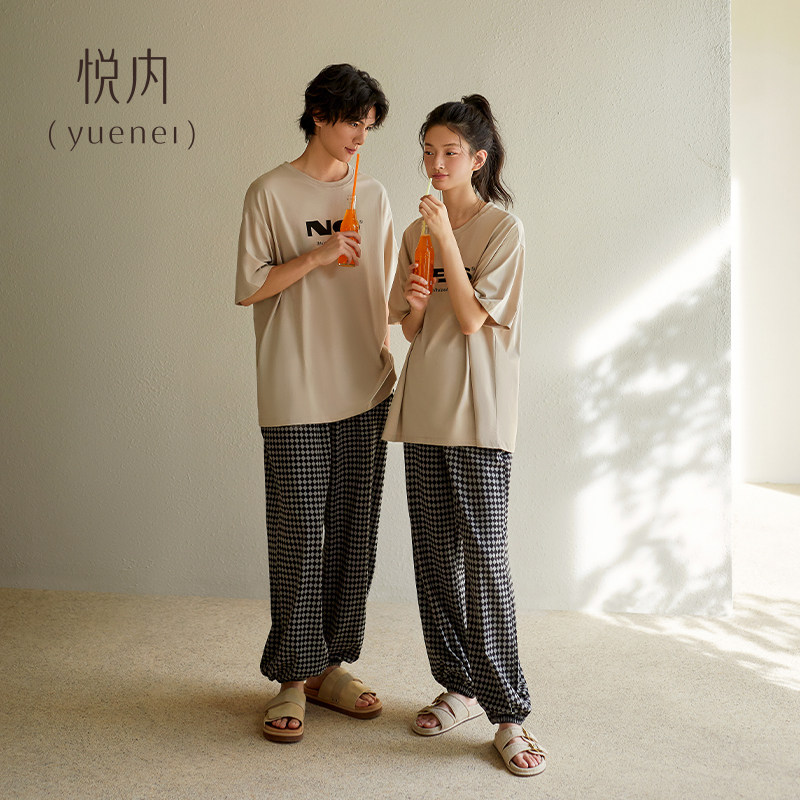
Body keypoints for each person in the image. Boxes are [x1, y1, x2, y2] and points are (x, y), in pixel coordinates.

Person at [383, 95, 548, 777]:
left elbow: (477, 320)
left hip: (478, 411)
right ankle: (459, 685)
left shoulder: (502, 229)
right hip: (425, 402)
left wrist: (444, 239)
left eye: (449, 152)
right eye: (428, 151)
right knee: (434, 556)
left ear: (477, 159)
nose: (435, 163)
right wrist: (416, 305)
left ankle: (509, 713)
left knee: (483, 557)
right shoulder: (413, 234)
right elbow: (413, 327)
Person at [235, 64, 396, 743]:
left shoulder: (376, 195)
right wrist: (319, 253)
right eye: (354, 121)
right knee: (300, 532)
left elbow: (387, 292)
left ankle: (330, 666)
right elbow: (249, 287)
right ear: (320, 115)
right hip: (295, 385)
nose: (361, 135)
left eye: (369, 125)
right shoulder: (269, 192)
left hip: (366, 384)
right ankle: (291, 677)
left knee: (354, 536)